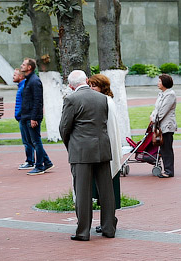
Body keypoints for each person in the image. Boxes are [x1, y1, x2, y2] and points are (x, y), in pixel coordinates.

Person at [60, 70, 116, 241]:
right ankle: (109, 228)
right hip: (102, 148)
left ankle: (83, 231)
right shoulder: (103, 98)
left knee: (83, 192)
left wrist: (70, 145)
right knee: (106, 190)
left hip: (81, 150)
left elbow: (64, 128)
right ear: (86, 80)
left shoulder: (71, 99)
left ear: (70, 85)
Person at [87, 73, 123, 233]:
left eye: (94, 86)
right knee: (101, 192)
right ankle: (106, 222)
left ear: (103, 87)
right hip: (100, 152)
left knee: (107, 192)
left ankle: (109, 222)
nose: (91, 88)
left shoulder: (107, 102)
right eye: (90, 85)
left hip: (107, 153)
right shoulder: (99, 101)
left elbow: (111, 129)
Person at [18, 58, 53, 176]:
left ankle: (39, 166)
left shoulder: (34, 81)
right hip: (26, 116)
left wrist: (34, 118)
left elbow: (38, 101)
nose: (21, 66)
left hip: (32, 117)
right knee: (33, 142)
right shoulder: (29, 80)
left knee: (36, 142)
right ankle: (47, 162)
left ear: (29, 67)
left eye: (23, 65)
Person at [150, 74, 177, 180]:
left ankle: (169, 171)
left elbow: (162, 112)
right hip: (160, 126)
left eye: (160, 81)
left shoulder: (170, 95)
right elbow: (156, 109)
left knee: (166, 149)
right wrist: (152, 116)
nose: (158, 83)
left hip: (167, 126)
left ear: (165, 83)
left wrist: (153, 119)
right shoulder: (161, 94)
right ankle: (167, 169)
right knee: (163, 148)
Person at [12, 67, 34, 170]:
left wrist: (19, 114)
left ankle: (30, 161)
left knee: (27, 141)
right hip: (22, 117)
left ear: (21, 76)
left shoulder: (24, 87)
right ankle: (31, 160)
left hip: (24, 118)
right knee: (28, 140)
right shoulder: (22, 86)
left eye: (15, 75)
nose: (13, 76)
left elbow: (24, 104)